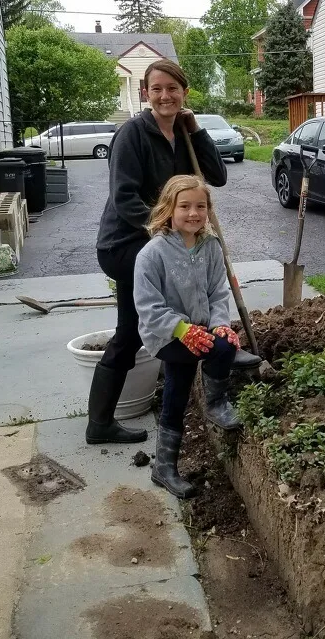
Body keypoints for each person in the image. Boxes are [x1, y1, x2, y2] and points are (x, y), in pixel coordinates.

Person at [88, 60, 228, 445]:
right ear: (144, 94)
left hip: (161, 241)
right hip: (127, 244)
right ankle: (101, 422)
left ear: (184, 92)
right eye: (157, 89)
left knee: (152, 322)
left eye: (173, 88)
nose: (165, 95)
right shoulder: (132, 134)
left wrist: (196, 131)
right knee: (133, 330)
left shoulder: (183, 133)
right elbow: (123, 198)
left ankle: (208, 355)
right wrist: (165, 228)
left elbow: (216, 176)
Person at [134, 175, 241, 498]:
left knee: (189, 379)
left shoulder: (210, 247)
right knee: (216, 354)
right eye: (184, 206)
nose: (193, 213)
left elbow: (218, 292)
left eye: (200, 206)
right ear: (169, 209)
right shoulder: (152, 254)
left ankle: (165, 465)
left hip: (200, 329)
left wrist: (221, 322)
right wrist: (182, 329)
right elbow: (148, 307)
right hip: (166, 335)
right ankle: (215, 402)